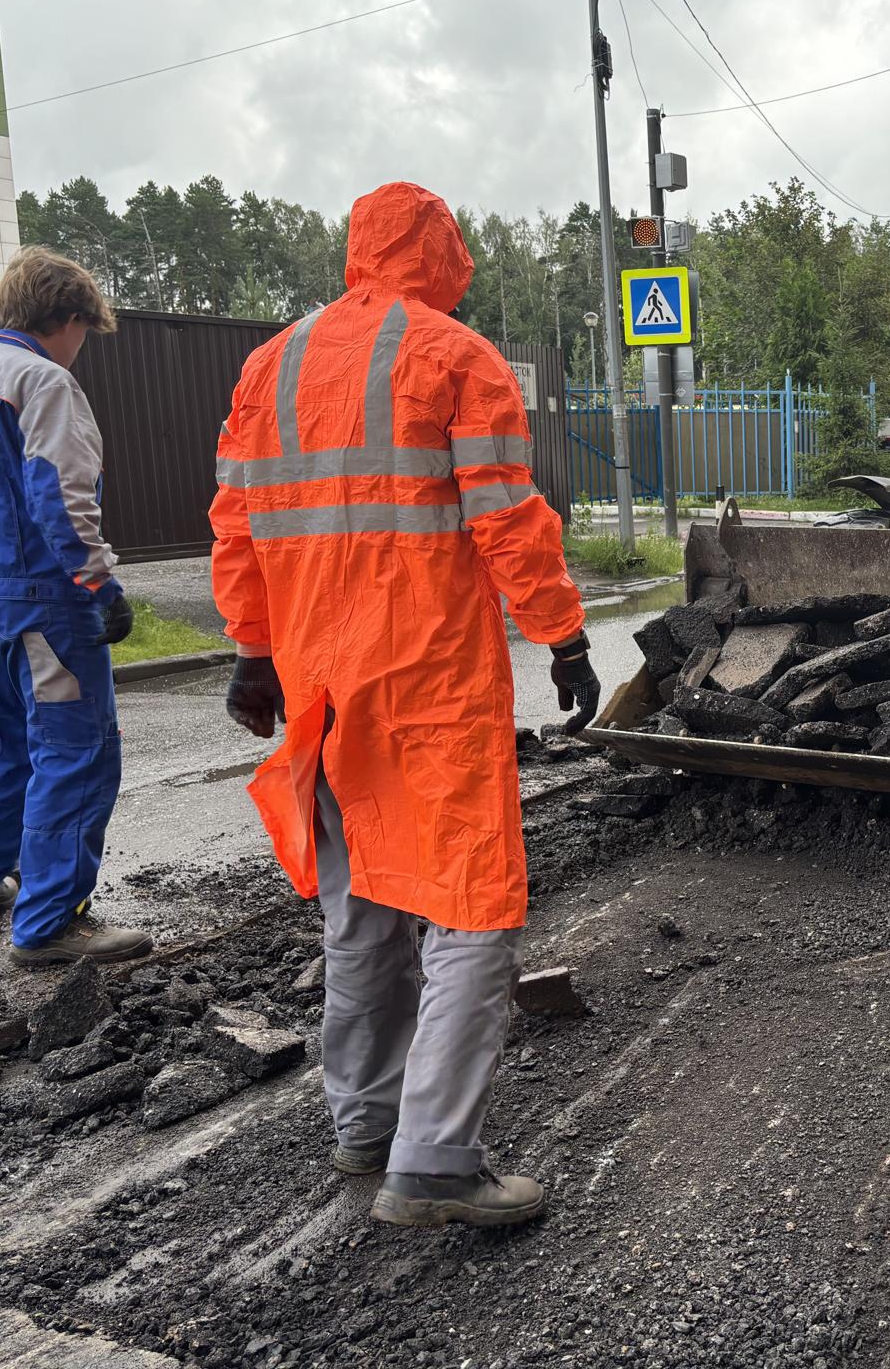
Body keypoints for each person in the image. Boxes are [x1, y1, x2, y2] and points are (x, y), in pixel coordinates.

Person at [211, 182, 598, 1227]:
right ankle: (434, 1164)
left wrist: (252, 651)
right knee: (471, 905)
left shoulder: (270, 366)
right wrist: (561, 633)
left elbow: (234, 524)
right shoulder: (454, 358)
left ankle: (365, 1127)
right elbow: (507, 518)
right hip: (427, 685)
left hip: (319, 691)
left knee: (362, 910)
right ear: (442, 253)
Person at [0, 247, 151, 966]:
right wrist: (100, 584)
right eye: (88, 328)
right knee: (77, 752)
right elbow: (62, 495)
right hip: (41, 600)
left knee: (9, 737)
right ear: (72, 316)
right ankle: (50, 921)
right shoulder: (43, 382)